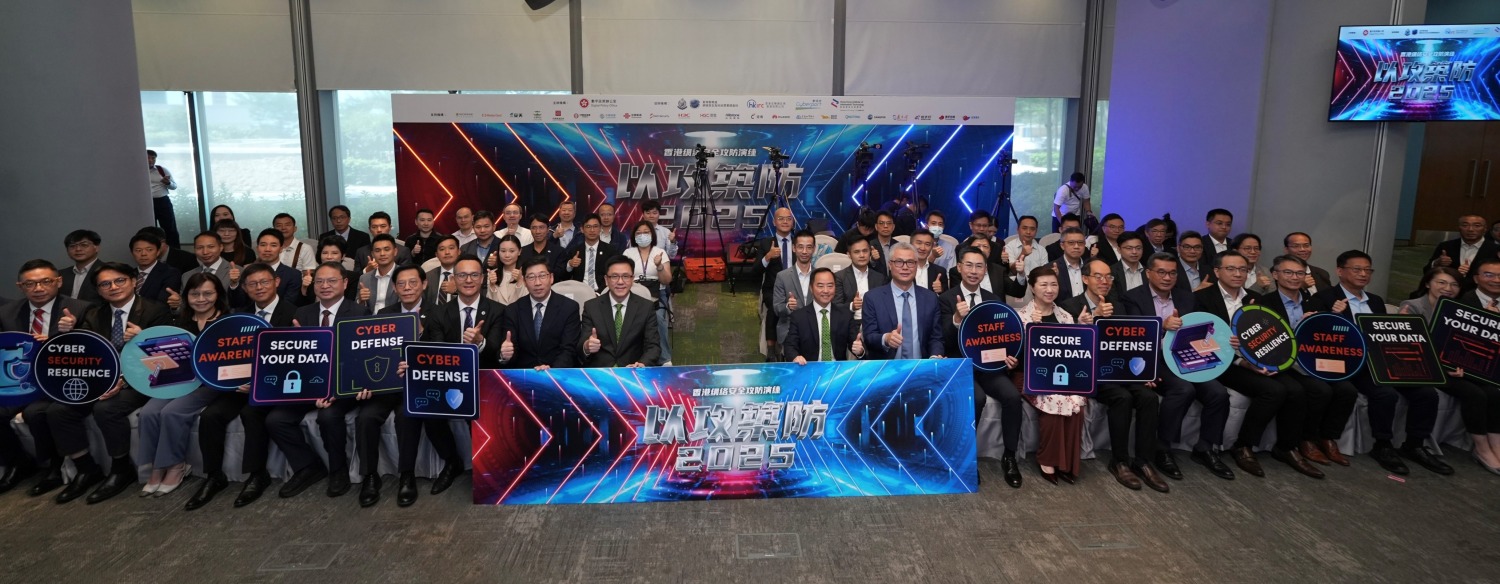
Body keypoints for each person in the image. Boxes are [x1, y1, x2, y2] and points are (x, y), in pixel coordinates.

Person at [1312, 250, 1451, 476]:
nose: (1363, 274)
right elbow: (1319, 337)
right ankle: (1383, 445)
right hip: (1352, 364)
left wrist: (1401, 325)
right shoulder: (1324, 298)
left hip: (1385, 361)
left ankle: (1414, 445)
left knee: (1427, 393)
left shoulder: (1375, 300)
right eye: (1357, 269)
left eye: (1368, 270)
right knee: (1385, 394)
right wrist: (1334, 316)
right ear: (1340, 271)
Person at [51, 262, 173, 504]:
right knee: (58, 410)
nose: (113, 287)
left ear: (133, 281)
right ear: (98, 290)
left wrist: (143, 340)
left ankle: (120, 469)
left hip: (143, 380)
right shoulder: (94, 314)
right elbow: (85, 353)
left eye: (120, 280)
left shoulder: (156, 310)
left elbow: (168, 356)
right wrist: (69, 332)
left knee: (106, 408)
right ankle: (86, 469)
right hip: (101, 380)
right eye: (105, 284)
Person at [1195, 251, 1323, 479]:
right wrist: (1242, 361)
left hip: (1256, 359)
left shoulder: (1255, 298)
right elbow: (1198, 339)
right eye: (1231, 269)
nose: (1238, 274)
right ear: (1217, 271)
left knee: (1297, 390)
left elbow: (1268, 335)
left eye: (1243, 270)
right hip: (1221, 362)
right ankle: (1243, 446)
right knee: (1273, 391)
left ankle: (1286, 447)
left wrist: (1264, 361)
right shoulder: (1202, 298)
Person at [1121, 253, 1235, 481]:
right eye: (1161, 272)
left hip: (1186, 356)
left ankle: (1205, 448)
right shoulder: (1132, 298)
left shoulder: (1187, 298)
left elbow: (1202, 329)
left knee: (1218, 393)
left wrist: (1225, 341)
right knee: (1183, 389)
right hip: (1153, 360)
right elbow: (1134, 337)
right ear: (1148, 273)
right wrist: (1162, 327)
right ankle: (1162, 449)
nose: (1167, 277)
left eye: (1172, 273)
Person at [186, 263, 288, 510]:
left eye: (264, 282)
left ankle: (257, 474)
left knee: (251, 413)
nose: (259, 287)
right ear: (244, 288)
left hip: (273, 386)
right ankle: (214, 476)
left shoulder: (294, 313)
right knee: (210, 416)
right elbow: (225, 354)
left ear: (276, 282)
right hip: (237, 387)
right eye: (252, 284)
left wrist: (259, 383)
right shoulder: (236, 316)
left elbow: (295, 358)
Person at [265, 262, 371, 499]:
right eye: (319, 281)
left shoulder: (358, 313)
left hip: (342, 387)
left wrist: (333, 390)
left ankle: (338, 470)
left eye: (332, 281)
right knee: (275, 420)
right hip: (307, 386)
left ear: (345, 283)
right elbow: (295, 360)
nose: (325, 286)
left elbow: (359, 359)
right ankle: (307, 466)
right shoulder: (302, 313)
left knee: (328, 416)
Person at [368, 264, 465, 507]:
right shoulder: (384, 314)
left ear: (424, 284)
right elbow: (374, 352)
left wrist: (420, 337)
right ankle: (369, 476)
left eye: (413, 282)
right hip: (389, 384)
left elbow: (443, 353)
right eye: (401, 284)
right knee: (365, 417)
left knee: (407, 415)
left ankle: (407, 476)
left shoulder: (438, 312)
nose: (407, 288)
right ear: (394, 288)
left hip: (422, 384)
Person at [1254, 255, 1359, 467]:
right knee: (1320, 391)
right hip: (1283, 361)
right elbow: (1264, 341)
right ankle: (1305, 440)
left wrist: (1333, 316)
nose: (1294, 277)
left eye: (1299, 273)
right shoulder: (1265, 303)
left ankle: (1327, 438)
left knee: (1347, 390)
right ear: (1275, 275)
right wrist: (1297, 329)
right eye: (1288, 272)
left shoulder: (1316, 301)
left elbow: (1328, 336)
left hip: (1314, 360)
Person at [0, 260, 91, 496]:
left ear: (58, 282)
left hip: (59, 380)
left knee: (35, 413)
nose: (38, 288)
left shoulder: (80, 309)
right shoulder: (7, 312)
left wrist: (66, 335)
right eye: (30, 284)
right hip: (21, 380)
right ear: (20, 287)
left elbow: (92, 351)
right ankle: (17, 462)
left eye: (45, 281)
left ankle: (54, 467)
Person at [135, 272, 227, 498]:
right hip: (178, 379)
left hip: (210, 383)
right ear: (187, 296)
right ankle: (156, 467)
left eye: (208, 293)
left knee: (172, 412)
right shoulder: (178, 322)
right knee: (148, 413)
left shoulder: (227, 322)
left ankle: (176, 465)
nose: (201, 299)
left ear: (218, 295)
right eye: (195, 294)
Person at [940, 247, 1023, 487]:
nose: (973, 271)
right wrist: (957, 319)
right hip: (961, 365)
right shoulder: (946, 298)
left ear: (985, 270)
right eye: (969, 265)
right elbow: (942, 339)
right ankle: (966, 459)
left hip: (989, 367)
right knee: (976, 398)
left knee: (1012, 397)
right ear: (959, 267)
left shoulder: (993, 299)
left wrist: (1011, 358)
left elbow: (1004, 336)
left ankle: (1009, 456)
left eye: (979, 266)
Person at [1017, 266, 1086, 483]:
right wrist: (1033, 330)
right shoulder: (1020, 317)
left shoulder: (1065, 316)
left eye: (1054, 284)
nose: (1049, 289)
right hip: (1029, 374)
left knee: (1076, 401)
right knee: (1053, 400)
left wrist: (1082, 328)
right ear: (1032, 288)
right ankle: (1047, 459)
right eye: (1044, 284)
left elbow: (1074, 352)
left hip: (1061, 373)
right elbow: (1017, 355)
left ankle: (1067, 463)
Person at [1443, 257, 1500, 473]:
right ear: (1476, 278)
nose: (1496, 280)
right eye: (1489, 275)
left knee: (1494, 394)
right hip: (1457, 368)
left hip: (1489, 369)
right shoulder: (1461, 302)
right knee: (1476, 395)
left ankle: (1496, 445)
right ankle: (1481, 448)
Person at [860, 242, 944, 360]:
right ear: (890, 265)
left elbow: (936, 337)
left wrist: (935, 356)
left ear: (916, 265)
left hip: (922, 367)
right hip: (887, 367)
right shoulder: (873, 298)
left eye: (910, 262)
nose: (905, 267)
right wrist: (886, 339)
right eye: (899, 262)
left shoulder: (930, 298)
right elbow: (869, 336)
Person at [496, 256, 581, 370]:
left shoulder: (569, 307)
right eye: (531, 277)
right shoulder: (513, 310)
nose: (537, 283)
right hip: (524, 375)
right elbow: (510, 348)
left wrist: (552, 372)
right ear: (524, 281)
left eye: (542, 276)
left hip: (557, 374)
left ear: (551, 278)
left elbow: (568, 349)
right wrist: (505, 356)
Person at [580, 256, 661, 368]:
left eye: (626, 276)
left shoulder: (646, 307)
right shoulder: (591, 307)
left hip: (632, 371)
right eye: (614, 276)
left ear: (632, 279)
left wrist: (643, 363)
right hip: (601, 372)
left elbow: (653, 346)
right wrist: (587, 346)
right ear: (606, 280)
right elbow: (582, 344)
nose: (620, 282)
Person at [784, 267, 863, 364]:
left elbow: (856, 342)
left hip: (837, 369)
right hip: (808, 368)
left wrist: (860, 351)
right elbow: (790, 346)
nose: (826, 291)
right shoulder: (799, 316)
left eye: (830, 286)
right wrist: (795, 357)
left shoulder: (845, 315)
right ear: (811, 288)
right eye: (820, 286)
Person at [622, 221, 673, 365]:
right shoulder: (628, 253)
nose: (642, 235)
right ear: (634, 236)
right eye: (639, 233)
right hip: (633, 292)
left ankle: (665, 359)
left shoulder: (660, 252)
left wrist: (659, 266)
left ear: (652, 234)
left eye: (646, 232)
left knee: (658, 319)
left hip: (656, 293)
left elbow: (667, 280)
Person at [749, 208, 796, 359]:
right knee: (775, 307)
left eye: (788, 218)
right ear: (774, 222)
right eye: (781, 218)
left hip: (797, 287)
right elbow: (755, 271)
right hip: (773, 289)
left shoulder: (798, 242)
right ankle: (771, 350)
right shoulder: (766, 243)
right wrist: (768, 257)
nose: (785, 221)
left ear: (792, 222)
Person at [1428, 214, 1498, 293]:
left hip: (1481, 294)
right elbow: (1427, 271)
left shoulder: (1496, 250)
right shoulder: (1446, 246)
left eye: (1477, 226)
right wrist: (1437, 263)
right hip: (1447, 292)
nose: (1470, 229)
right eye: (1465, 225)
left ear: (1485, 229)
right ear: (1459, 228)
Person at [772, 230, 818, 351]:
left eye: (809, 247)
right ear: (794, 248)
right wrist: (788, 306)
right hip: (790, 330)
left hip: (816, 330)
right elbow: (777, 308)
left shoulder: (820, 276)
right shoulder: (782, 276)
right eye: (800, 247)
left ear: (814, 249)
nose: (804, 251)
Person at [238, 229, 304, 307]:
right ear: (257, 248)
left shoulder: (293, 274)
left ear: (281, 249)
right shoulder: (247, 272)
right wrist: (234, 284)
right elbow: (240, 303)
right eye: (263, 245)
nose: (267, 249)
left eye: (273, 245)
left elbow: (289, 304)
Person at [832, 237, 887, 322]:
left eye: (865, 251)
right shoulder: (839, 277)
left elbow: (884, 305)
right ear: (849, 254)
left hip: (874, 322)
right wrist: (852, 306)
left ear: (870, 252)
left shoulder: (879, 278)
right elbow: (835, 306)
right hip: (850, 323)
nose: (862, 255)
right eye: (857, 252)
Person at [560, 213, 614, 293]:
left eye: (595, 226)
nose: (592, 230)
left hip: (603, 292)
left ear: (600, 228)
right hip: (580, 292)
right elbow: (564, 277)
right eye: (588, 227)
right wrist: (570, 265)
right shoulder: (574, 251)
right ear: (582, 229)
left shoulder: (610, 250)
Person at [129, 231, 182, 304]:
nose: (143, 254)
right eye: (138, 250)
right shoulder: (129, 274)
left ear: (158, 252)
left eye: (149, 250)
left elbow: (162, 303)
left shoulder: (170, 273)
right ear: (132, 253)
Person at [356, 234, 402, 313]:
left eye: (386, 249)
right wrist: (361, 300)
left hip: (396, 318)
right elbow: (357, 307)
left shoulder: (404, 275)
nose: (382, 254)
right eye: (377, 251)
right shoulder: (364, 278)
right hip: (370, 319)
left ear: (395, 251)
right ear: (372, 254)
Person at [306, 236, 360, 302]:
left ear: (343, 256)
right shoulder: (311, 277)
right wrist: (304, 288)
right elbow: (305, 305)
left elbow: (351, 303)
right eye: (325, 253)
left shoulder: (353, 277)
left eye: (334, 253)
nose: (329, 257)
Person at [146, 150, 181, 247]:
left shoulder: (162, 170)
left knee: (170, 229)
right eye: (148, 158)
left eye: (153, 158)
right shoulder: (138, 171)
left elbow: (174, 186)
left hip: (162, 201)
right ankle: (152, 250)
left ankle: (175, 252)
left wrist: (168, 183)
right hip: (146, 203)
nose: (151, 160)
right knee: (149, 230)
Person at [59, 229, 104, 302]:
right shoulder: (60, 274)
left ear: (97, 248)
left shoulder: (108, 271)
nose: (78, 249)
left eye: (84, 245)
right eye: (72, 246)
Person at [485, 235, 527, 306]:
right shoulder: (493, 273)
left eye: (512, 251)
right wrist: (492, 286)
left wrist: (520, 281)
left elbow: (526, 302)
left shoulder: (526, 273)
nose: (507, 255)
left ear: (519, 251)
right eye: (503, 251)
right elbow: (490, 304)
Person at [1003, 215, 1048, 279]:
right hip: (1016, 282)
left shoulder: (1041, 249)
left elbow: (1044, 273)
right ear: (1018, 229)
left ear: (1036, 231)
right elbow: (1013, 271)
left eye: (1032, 229)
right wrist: (1023, 254)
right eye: (1024, 228)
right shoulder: (1009, 247)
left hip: (1036, 282)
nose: (1028, 232)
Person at [1050, 227, 1089, 300]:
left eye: (1080, 243)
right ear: (1062, 246)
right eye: (1071, 243)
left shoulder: (1090, 266)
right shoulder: (1051, 268)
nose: (1076, 246)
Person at [424, 235, 462, 307]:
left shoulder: (467, 275)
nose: (447, 252)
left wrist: (456, 291)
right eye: (442, 249)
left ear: (459, 251)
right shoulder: (428, 276)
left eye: (451, 248)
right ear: (436, 254)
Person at [1108, 232, 1147, 297]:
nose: (1134, 252)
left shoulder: (1149, 272)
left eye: (1138, 248)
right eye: (1129, 248)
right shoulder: (1111, 272)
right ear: (1119, 249)